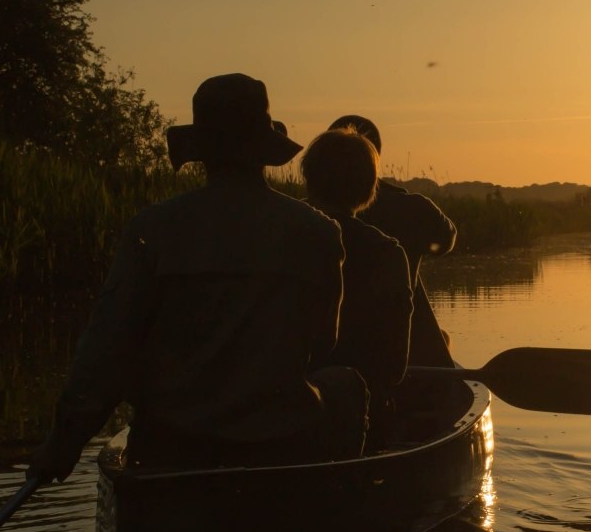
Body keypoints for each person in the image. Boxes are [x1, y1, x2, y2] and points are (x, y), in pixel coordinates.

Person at [28, 73, 361, 481]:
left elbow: (107, 351)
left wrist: (63, 444)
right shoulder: (319, 232)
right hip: (279, 440)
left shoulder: (153, 228)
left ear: (203, 151)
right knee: (344, 385)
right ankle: (335, 508)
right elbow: (322, 344)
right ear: (263, 149)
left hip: (172, 445)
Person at [300, 127, 413, 437]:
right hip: (365, 415)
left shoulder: (281, 239)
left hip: (282, 410)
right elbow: (394, 368)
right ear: (368, 188)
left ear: (310, 179)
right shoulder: (388, 253)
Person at [326, 115, 458, 370]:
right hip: (401, 353)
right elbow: (447, 240)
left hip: (328, 358)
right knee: (442, 339)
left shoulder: (302, 214)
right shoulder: (412, 208)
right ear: (374, 158)